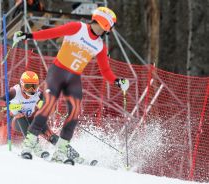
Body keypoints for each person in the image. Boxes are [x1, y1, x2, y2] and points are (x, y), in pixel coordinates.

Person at [13, 7, 130, 162]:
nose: (106, 31)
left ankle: (61, 151)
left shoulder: (101, 46)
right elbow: (52, 33)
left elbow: (105, 70)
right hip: (58, 72)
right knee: (49, 104)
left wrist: (117, 81)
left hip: (73, 78)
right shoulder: (78, 28)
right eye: (107, 28)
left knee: (74, 111)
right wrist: (27, 36)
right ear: (103, 24)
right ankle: (29, 143)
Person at [0, 71, 44, 143]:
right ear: (22, 85)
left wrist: (44, 104)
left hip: (30, 118)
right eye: (28, 86)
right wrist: (8, 104)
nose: (31, 90)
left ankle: (56, 142)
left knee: (40, 118)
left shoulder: (38, 92)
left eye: (34, 86)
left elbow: (49, 100)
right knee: (20, 117)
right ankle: (33, 144)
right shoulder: (14, 92)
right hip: (16, 121)